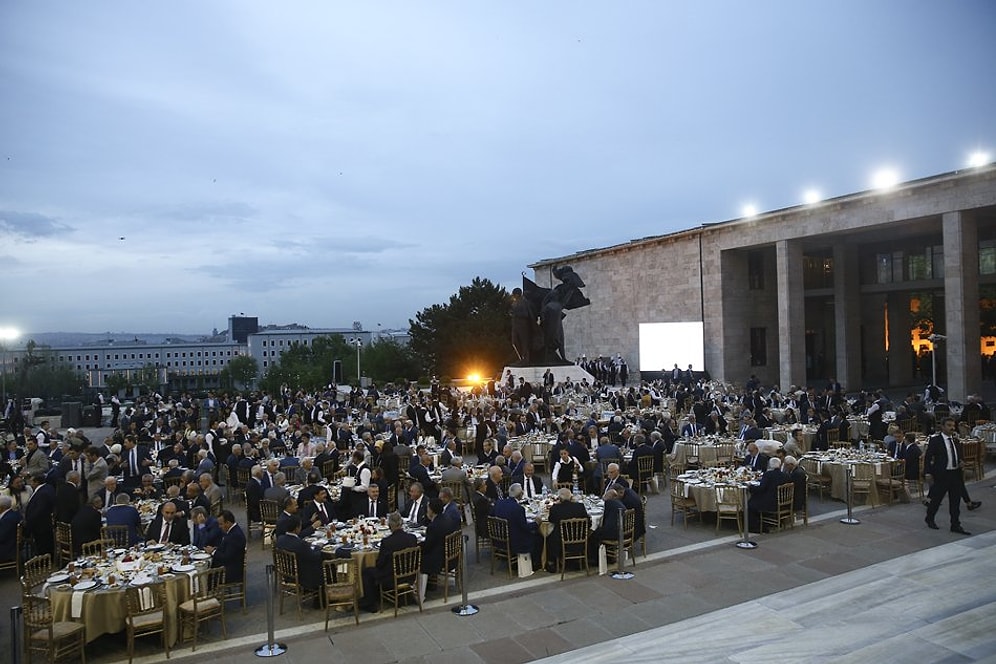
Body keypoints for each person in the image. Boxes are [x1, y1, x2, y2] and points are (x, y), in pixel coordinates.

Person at [359, 511, 418, 612]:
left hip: (392, 577)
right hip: (410, 574)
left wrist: (376, 563)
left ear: (390, 525)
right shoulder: (413, 538)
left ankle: (370, 603)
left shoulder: (387, 542)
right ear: (401, 523)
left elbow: (380, 564)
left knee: (367, 572)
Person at [924, 417, 971, 535]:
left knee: (955, 501)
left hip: (955, 474)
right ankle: (930, 518)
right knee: (936, 499)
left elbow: (959, 454)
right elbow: (928, 457)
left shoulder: (955, 440)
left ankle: (955, 524)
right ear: (943, 427)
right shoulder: (936, 441)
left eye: (953, 426)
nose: (952, 428)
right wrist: (927, 472)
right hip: (942, 474)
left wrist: (961, 461)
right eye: (949, 425)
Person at [492, 483, 542, 567]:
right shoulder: (518, 509)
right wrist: (536, 523)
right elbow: (525, 528)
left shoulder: (499, 503)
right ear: (520, 494)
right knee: (539, 536)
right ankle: (536, 563)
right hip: (514, 541)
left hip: (499, 537)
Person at [420, 497, 460, 593]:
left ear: (432, 510)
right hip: (452, 555)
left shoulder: (433, 527)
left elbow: (427, 547)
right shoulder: (447, 518)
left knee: (415, 557)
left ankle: (421, 589)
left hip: (439, 559)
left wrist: (417, 545)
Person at [275, 515, 323, 593]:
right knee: (325, 566)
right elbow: (314, 556)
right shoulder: (300, 544)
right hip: (302, 577)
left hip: (286, 574)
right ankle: (322, 598)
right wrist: (319, 548)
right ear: (297, 528)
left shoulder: (280, 539)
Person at [545, 488, 589, 572]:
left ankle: (551, 562)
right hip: (580, 540)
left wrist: (557, 504)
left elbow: (551, 520)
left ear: (559, 498)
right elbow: (588, 522)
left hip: (561, 542)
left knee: (549, 536)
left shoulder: (555, 508)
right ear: (571, 497)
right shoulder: (580, 506)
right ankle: (579, 560)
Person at [747, 458, 790, 533]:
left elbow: (761, 488)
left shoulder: (768, 475)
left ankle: (754, 527)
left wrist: (750, 487)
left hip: (770, 503)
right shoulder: (785, 475)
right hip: (782, 501)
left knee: (750, 504)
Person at [207, 509, 246, 584]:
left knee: (205, 576)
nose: (219, 527)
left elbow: (226, 558)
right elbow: (229, 550)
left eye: (221, 524)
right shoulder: (233, 531)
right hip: (231, 565)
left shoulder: (234, 536)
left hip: (231, 573)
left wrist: (213, 552)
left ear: (228, 523)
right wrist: (216, 549)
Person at [0, 496, 23, 563]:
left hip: (6, 549)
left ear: (2, 507)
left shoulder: (7, 520)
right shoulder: (14, 514)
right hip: (12, 546)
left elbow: (1, 537)